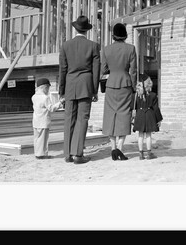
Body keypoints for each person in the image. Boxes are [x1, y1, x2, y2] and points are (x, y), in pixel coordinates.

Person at [58, 15, 100, 165]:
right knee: (82, 119)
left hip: (69, 85)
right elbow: (96, 70)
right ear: (86, 30)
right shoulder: (93, 46)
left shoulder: (65, 45)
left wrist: (61, 91)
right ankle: (78, 154)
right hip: (86, 85)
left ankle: (68, 154)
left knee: (69, 119)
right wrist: (94, 91)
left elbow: (62, 69)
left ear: (75, 28)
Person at [101, 23, 137, 161]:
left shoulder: (106, 49)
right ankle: (120, 149)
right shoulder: (131, 49)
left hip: (111, 85)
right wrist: (133, 87)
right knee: (124, 115)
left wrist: (113, 69)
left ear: (113, 36)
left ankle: (112, 147)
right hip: (125, 84)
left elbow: (103, 70)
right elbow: (133, 71)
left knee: (110, 115)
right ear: (125, 35)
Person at [132, 74, 163, 160]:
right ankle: (149, 154)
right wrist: (159, 119)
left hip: (139, 115)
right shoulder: (153, 95)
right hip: (149, 115)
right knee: (148, 135)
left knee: (140, 135)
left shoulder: (136, 95)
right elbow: (156, 109)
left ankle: (141, 154)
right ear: (149, 84)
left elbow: (132, 107)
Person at [31, 77, 63, 159]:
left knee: (37, 139)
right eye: (48, 88)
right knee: (43, 140)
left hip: (36, 121)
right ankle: (42, 155)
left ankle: (37, 154)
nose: (48, 90)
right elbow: (51, 108)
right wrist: (60, 103)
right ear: (44, 87)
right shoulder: (45, 98)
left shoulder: (34, 97)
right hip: (44, 121)